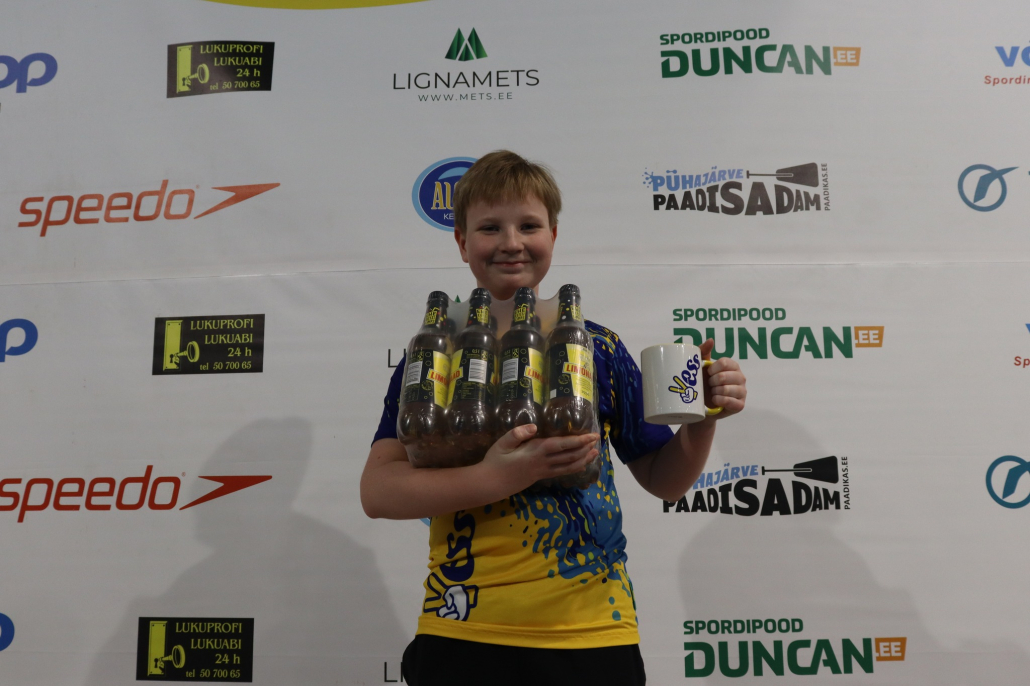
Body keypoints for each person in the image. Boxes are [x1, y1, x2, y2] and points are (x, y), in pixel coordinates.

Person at [360, 150, 747, 685]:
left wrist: (701, 421)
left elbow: (666, 480)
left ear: (554, 236)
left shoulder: (597, 347)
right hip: (463, 630)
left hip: (592, 633)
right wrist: (497, 477)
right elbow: (378, 492)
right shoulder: (433, 355)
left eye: (529, 226)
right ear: (462, 242)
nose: (511, 242)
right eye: (490, 228)